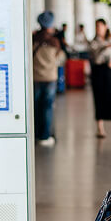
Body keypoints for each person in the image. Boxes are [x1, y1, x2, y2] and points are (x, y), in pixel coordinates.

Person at [32, 11, 65, 147]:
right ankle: (45, 136)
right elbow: (60, 59)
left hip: (35, 79)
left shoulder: (33, 39)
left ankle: (35, 134)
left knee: (35, 107)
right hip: (50, 78)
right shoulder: (54, 41)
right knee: (47, 107)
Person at [88, 18, 111, 139]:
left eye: (100, 26)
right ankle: (100, 129)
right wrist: (105, 47)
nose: (98, 28)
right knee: (99, 98)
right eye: (96, 26)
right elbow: (95, 58)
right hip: (98, 72)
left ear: (105, 27)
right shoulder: (94, 42)